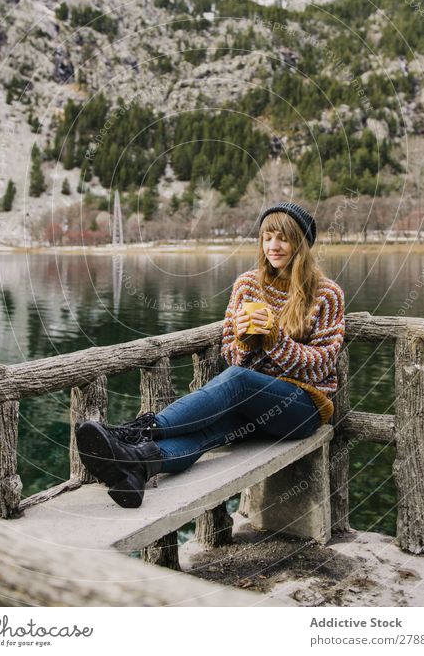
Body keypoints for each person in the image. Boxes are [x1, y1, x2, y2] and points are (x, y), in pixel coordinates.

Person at [76, 201, 346, 508]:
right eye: (267, 237)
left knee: (238, 381)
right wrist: (245, 342)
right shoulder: (247, 285)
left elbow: (321, 365)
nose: (273, 246)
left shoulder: (327, 294)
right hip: (250, 405)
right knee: (207, 432)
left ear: (300, 243)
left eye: (282, 238)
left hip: (302, 407)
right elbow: (232, 355)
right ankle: (138, 465)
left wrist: (274, 340)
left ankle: (132, 433)